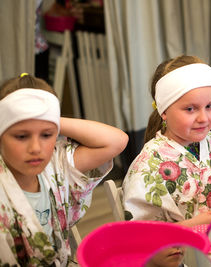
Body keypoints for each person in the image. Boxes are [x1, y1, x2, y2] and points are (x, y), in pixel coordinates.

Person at [0, 74, 128, 266]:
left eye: (46, 134)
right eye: (21, 136)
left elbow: (116, 141)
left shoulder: (55, 165)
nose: (35, 147)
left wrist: (48, 117)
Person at [123, 55, 211, 227]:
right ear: (164, 111)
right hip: (183, 252)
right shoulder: (148, 168)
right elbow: (142, 237)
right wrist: (192, 225)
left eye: (209, 106)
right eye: (190, 109)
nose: (204, 118)